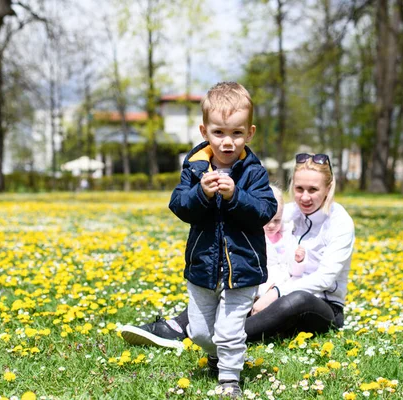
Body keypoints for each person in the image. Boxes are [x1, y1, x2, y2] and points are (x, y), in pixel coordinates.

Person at [121, 152, 354, 366]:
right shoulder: (287, 211)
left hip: (321, 306)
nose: (304, 197)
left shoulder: (339, 222)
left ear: (328, 188)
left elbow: (324, 279)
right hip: (272, 287)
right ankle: (176, 326)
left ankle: (221, 339)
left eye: (313, 190)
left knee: (296, 299)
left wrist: (276, 293)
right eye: (299, 188)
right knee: (238, 273)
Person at [123, 82, 277, 397]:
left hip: (243, 269)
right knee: (202, 332)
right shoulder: (194, 170)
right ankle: (214, 354)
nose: (228, 141)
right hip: (202, 266)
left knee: (230, 331)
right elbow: (179, 206)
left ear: (249, 133)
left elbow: (264, 210)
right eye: (219, 133)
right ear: (204, 131)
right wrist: (201, 194)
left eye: (236, 133)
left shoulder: (254, 173)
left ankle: (229, 380)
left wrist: (236, 196)